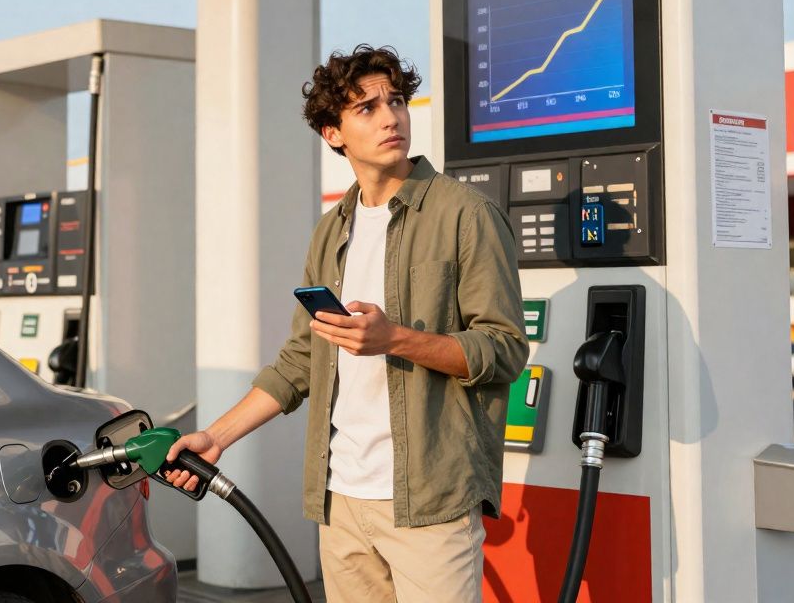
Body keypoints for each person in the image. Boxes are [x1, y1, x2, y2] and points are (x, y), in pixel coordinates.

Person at [164, 45, 528, 602]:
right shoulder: (331, 230)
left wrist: (394, 340)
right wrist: (216, 436)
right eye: (367, 108)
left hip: (430, 501)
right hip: (340, 500)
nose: (391, 117)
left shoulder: (465, 214)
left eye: (397, 101)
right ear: (333, 133)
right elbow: (300, 360)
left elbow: (504, 350)